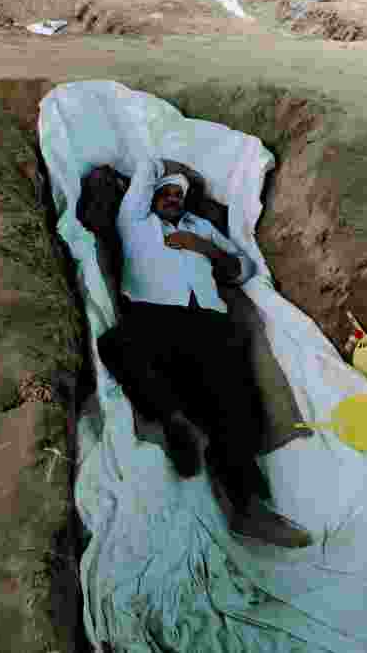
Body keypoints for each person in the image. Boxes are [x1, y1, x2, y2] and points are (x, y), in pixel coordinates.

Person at [96, 159, 314, 548]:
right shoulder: (137, 224)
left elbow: (243, 268)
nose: (172, 198)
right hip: (154, 315)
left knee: (234, 403)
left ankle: (249, 509)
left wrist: (206, 249)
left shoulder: (202, 229)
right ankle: (175, 421)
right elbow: (146, 168)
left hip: (211, 323)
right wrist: (167, 166)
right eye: (164, 191)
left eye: (179, 194)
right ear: (150, 196)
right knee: (116, 344)